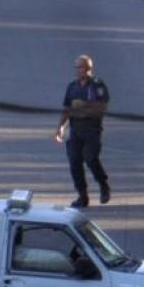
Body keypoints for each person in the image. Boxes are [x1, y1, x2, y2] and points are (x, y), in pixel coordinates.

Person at [55, 55, 111, 208]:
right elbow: (67, 109)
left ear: (89, 69)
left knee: (90, 159)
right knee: (74, 162)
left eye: (82, 67)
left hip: (92, 130)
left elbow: (102, 106)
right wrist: (60, 127)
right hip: (76, 130)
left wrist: (84, 107)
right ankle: (82, 196)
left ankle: (103, 186)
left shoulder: (97, 85)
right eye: (77, 67)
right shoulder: (72, 87)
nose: (79, 70)